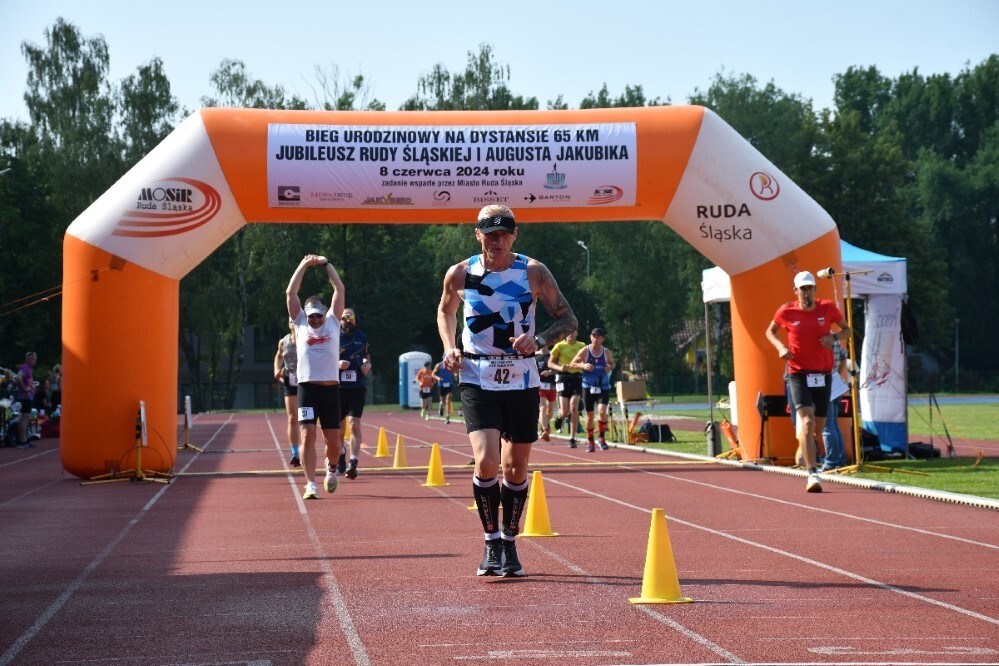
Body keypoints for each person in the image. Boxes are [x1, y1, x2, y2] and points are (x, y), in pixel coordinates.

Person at [437, 204, 577, 577]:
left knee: (515, 467)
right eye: (490, 233)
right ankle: (489, 542)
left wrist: (540, 339)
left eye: (504, 233)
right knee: (486, 460)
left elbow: (568, 318)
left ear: (514, 235)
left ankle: (510, 543)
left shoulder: (533, 271)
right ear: (477, 234)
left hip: (522, 378)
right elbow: (445, 311)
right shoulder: (461, 273)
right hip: (477, 375)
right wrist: (448, 346)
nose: (496, 240)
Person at [766, 270, 851, 493]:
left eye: (809, 288)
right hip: (798, 373)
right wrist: (781, 347)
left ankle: (804, 441)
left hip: (822, 374)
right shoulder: (787, 310)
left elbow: (848, 330)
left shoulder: (828, 308)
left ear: (815, 289)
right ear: (796, 291)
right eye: (802, 289)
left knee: (818, 428)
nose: (806, 292)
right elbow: (770, 331)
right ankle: (813, 473)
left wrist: (833, 337)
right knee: (808, 422)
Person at [287, 253, 346, 500]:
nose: (314, 319)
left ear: (324, 313)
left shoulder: (333, 321)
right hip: (307, 389)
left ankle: (331, 467)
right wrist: (303, 265)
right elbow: (291, 293)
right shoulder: (299, 322)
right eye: (311, 315)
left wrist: (326, 264)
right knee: (307, 435)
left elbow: (339, 288)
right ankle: (310, 484)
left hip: (330, 389)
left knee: (333, 443)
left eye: (317, 315)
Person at [337, 307, 371, 479]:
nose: (347, 320)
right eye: (344, 317)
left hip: (357, 387)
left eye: (351, 317)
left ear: (356, 320)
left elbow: (366, 356)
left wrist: (367, 365)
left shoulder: (362, 337)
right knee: (338, 430)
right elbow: (322, 359)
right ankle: (341, 453)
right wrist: (336, 364)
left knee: (354, 424)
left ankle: (353, 462)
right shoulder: (332, 337)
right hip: (337, 388)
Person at [569, 327, 615, 452]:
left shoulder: (606, 352)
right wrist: (583, 365)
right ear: (590, 337)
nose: (595, 338)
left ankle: (601, 437)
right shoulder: (585, 350)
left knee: (602, 411)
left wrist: (609, 367)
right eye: (593, 336)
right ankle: (590, 441)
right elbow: (572, 363)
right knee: (589, 416)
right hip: (588, 386)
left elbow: (612, 363)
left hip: (603, 386)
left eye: (598, 336)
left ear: (602, 339)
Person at [548, 331, 585, 448]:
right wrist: (560, 367)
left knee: (574, 408)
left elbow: (585, 360)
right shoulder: (559, 346)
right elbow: (550, 363)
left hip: (577, 378)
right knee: (564, 410)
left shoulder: (582, 346)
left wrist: (583, 365)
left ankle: (572, 437)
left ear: (577, 333)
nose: (571, 335)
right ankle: (559, 418)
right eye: (568, 332)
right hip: (563, 378)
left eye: (573, 332)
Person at [274, 318, 301, 467]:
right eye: (290, 321)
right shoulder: (283, 341)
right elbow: (278, 356)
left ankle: (306, 447)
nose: (293, 323)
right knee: (292, 418)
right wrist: (276, 370)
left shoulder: (307, 338)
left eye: (295, 320)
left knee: (306, 419)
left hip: (307, 381)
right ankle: (294, 452)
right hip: (290, 380)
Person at [820, 339, 850, 471]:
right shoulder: (833, 337)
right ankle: (840, 459)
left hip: (823, 383)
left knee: (827, 426)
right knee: (834, 425)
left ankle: (831, 461)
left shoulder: (820, 337)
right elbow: (844, 357)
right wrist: (837, 373)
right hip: (835, 382)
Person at [15, 352, 37, 448]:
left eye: (35, 358)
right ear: (27, 359)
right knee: (25, 417)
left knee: (27, 417)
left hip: (28, 397)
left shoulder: (28, 369)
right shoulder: (24, 367)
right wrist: (24, 388)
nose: (34, 360)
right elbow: (19, 378)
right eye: (32, 358)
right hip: (24, 397)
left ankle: (24, 439)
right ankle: (22, 441)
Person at [535, 342, 556, 441]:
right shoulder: (535, 355)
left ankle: (544, 424)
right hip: (539, 386)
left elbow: (558, 368)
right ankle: (545, 430)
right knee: (542, 407)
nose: (543, 346)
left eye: (545, 344)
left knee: (550, 411)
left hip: (551, 385)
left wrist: (550, 372)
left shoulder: (553, 354)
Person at [432, 354, 457, 424]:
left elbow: (455, 373)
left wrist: (455, 375)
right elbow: (432, 374)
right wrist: (438, 378)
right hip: (441, 384)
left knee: (448, 400)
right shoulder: (439, 365)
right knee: (442, 401)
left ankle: (447, 417)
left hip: (449, 384)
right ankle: (441, 406)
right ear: (443, 358)